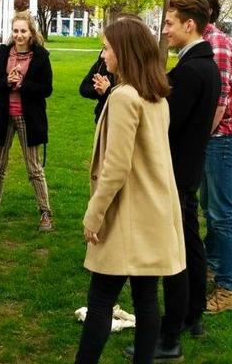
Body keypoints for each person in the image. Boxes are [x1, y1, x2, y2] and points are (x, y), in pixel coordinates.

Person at [77, 18, 185, 364]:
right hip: (154, 210)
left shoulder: (124, 96)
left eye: (106, 48)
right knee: (146, 298)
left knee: (100, 300)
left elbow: (116, 166)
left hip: (128, 212)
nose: (103, 55)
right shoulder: (156, 95)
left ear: (123, 52)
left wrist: (94, 214)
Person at [138, 0, 220, 361]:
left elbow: (164, 124)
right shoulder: (204, 65)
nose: (165, 30)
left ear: (190, 25)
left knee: (175, 256)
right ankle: (192, 315)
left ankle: (170, 335)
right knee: (189, 244)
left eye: (170, 23)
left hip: (176, 172)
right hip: (187, 169)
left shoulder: (192, 70)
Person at [185, 0, 232, 314]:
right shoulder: (205, 43)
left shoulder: (218, 46)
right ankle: (212, 268)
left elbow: (218, 104)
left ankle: (227, 290)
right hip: (218, 138)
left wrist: (195, 141)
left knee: (221, 214)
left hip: (227, 138)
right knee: (210, 207)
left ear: (203, 14)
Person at [0, 11, 55, 232]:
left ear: (31, 33)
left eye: (23, 31)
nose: (19, 35)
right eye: (16, 31)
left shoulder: (40, 56)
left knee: (34, 167)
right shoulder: (3, 53)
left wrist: (23, 84)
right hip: (4, 116)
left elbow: (46, 89)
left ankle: (45, 212)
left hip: (29, 117)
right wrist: (7, 81)